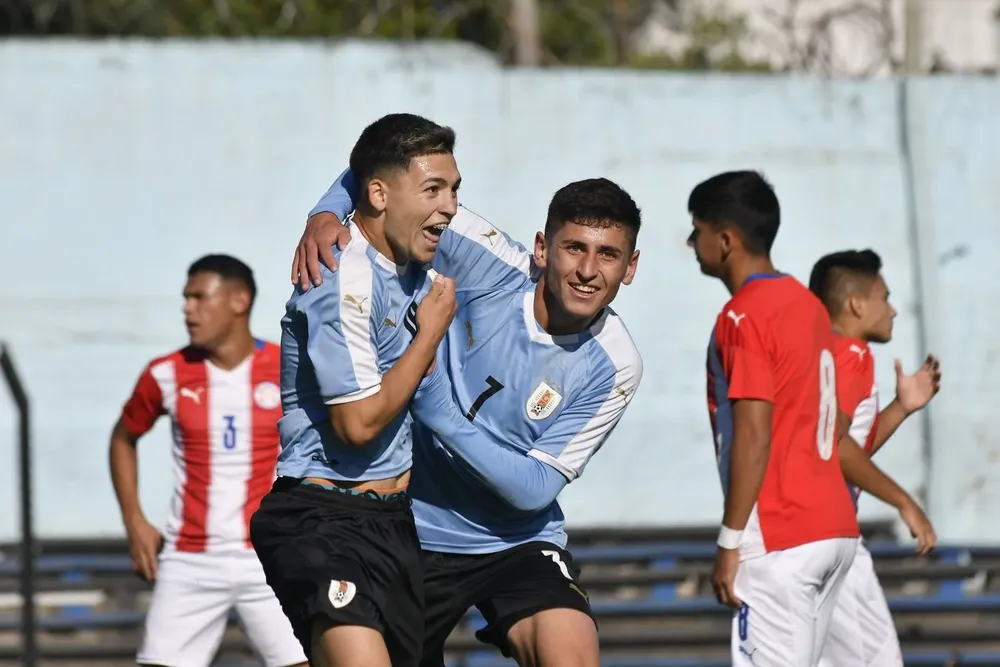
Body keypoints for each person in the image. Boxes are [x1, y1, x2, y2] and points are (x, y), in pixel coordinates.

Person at [295, 172, 643, 667]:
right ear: (543, 248)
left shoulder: (616, 363)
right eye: (574, 248)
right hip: (407, 527)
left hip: (515, 541)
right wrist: (325, 215)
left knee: (571, 652)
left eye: (608, 255)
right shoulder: (492, 261)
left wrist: (438, 409)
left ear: (629, 268)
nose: (588, 270)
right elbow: (385, 173)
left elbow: (535, 489)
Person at [248, 113, 459, 667]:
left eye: (456, 189)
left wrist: (324, 208)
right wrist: (431, 333)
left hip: (396, 522)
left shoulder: (417, 254)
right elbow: (358, 425)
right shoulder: (340, 275)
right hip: (322, 518)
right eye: (434, 189)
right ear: (379, 194)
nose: (452, 207)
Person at [688, 170, 862, 667]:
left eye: (695, 229)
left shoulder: (742, 316)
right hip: (834, 530)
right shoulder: (808, 305)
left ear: (725, 240)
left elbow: (755, 434)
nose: (690, 241)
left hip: (780, 536)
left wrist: (730, 541)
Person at [108, 254, 306, 667]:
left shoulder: (286, 369)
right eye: (186, 298)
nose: (187, 308)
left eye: (199, 297)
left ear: (239, 300)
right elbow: (123, 438)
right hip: (190, 558)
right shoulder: (166, 373)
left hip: (267, 553)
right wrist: (134, 519)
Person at [809, 248, 941, 667]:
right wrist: (905, 502)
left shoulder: (822, 354)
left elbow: (843, 445)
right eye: (884, 297)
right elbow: (835, 445)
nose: (893, 310)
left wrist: (900, 407)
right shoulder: (851, 356)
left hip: (809, 538)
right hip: (828, 535)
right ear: (856, 304)